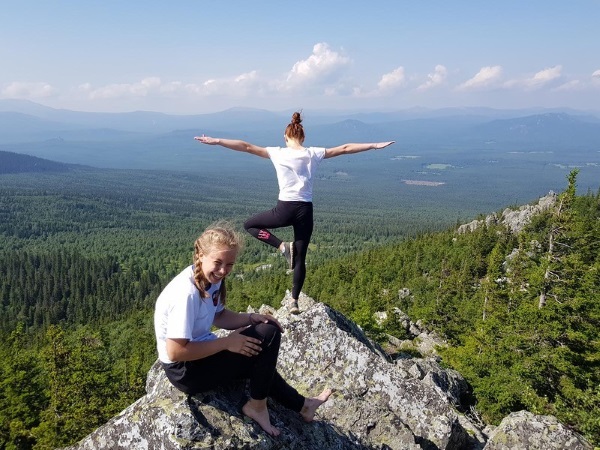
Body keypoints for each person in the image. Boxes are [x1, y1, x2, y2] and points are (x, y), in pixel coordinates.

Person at [195, 112, 395, 314]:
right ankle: (294, 301)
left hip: (284, 209)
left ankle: (282, 246)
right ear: (303, 137)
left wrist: (217, 141)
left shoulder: (277, 152)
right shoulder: (313, 153)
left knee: (250, 225)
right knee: (301, 259)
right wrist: (373, 145)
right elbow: (344, 148)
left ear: (285, 136)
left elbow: (245, 146)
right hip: (305, 211)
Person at [154, 222, 332, 437]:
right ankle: (257, 407)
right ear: (200, 254)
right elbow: (175, 352)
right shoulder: (187, 294)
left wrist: (250, 318)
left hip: (197, 357)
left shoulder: (209, 279)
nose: (223, 271)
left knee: (261, 340)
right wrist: (226, 343)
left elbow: (218, 316)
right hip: (185, 371)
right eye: (218, 262)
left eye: (229, 264)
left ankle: (303, 405)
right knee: (268, 336)